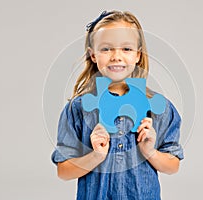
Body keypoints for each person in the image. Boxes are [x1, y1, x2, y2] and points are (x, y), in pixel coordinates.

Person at [51, 10, 184, 200]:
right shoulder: (78, 109)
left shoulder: (160, 108)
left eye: (126, 49)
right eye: (106, 49)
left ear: (138, 55)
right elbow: (63, 171)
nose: (116, 56)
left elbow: (172, 166)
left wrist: (150, 152)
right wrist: (95, 156)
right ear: (93, 55)